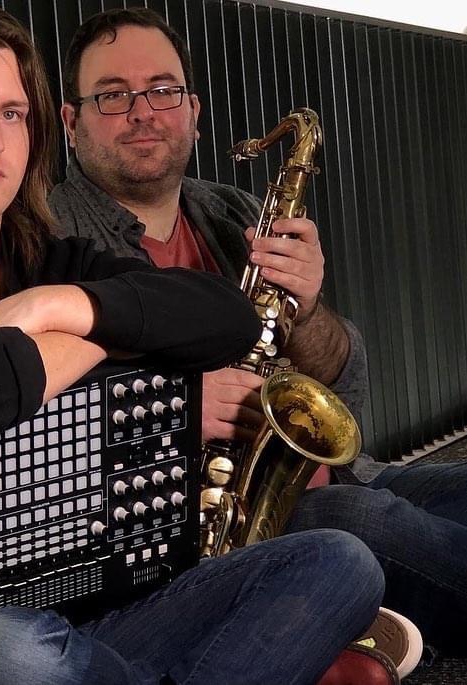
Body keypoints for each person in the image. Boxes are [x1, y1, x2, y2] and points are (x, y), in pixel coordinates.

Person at [0, 2, 384, 683]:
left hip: (77, 607)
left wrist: (60, 305)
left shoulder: (50, 265)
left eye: (11, 113)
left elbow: (223, 315)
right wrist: (114, 333)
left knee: (338, 560)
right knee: (12, 651)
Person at [48, 5, 467, 666]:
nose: (143, 111)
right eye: (112, 94)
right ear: (71, 122)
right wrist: (176, 405)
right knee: (364, 523)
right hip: (219, 528)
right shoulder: (45, 235)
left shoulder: (234, 211)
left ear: (193, 111)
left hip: (334, 477)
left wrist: (309, 308)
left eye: (162, 89)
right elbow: (36, 426)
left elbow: (345, 394)